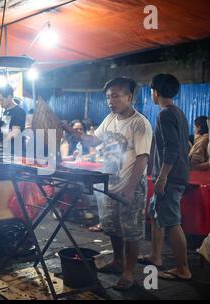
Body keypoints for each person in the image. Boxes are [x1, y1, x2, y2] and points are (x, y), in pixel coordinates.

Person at [61, 77, 153, 290]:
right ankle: (117, 261)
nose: (111, 101)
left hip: (130, 185)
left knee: (131, 230)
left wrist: (130, 188)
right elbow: (94, 141)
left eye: (116, 96)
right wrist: (69, 130)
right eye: (108, 97)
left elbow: (142, 157)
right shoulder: (110, 118)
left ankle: (129, 272)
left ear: (129, 97)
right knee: (112, 226)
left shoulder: (139, 123)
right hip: (109, 183)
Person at [138, 74, 192, 281]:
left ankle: (183, 269)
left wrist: (162, 178)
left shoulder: (165, 115)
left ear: (156, 92)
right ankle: (155, 256)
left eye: (152, 91)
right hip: (174, 175)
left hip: (170, 178)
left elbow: (171, 149)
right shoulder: (178, 112)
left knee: (171, 221)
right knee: (156, 213)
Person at [0, 84, 26, 156]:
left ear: (9, 97)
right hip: (6, 152)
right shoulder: (6, 112)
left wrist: (1, 144)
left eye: (1, 100)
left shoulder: (18, 111)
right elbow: (5, 130)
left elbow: (15, 132)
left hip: (16, 153)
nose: (0, 102)